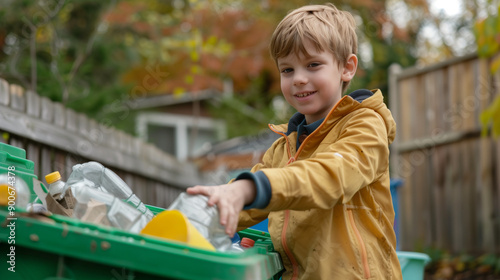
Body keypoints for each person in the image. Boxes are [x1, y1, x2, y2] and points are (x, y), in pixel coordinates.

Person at [188, 3, 402, 279]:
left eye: (313, 65)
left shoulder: (365, 126)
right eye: (287, 70)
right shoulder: (283, 148)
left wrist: (250, 189)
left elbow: (330, 176)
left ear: (347, 68)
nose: (299, 79)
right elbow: (249, 201)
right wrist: (206, 209)